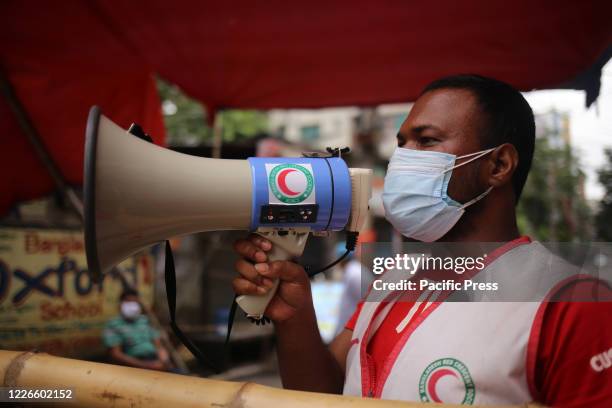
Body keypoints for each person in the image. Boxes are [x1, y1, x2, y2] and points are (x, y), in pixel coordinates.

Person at [231, 75, 612, 406]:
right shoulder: (391, 282)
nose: (402, 160)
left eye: (426, 142)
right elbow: (325, 396)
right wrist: (294, 317)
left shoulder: (572, 304)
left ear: (498, 166)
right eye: (402, 143)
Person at [102, 288, 170, 371]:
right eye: (128, 302)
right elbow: (116, 354)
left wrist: (164, 361)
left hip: (155, 361)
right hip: (133, 366)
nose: (132, 306)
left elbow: (158, 345)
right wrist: (146, 366)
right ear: (120, 304)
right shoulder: (113, 324)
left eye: (134, 302)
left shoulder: (145, 321)